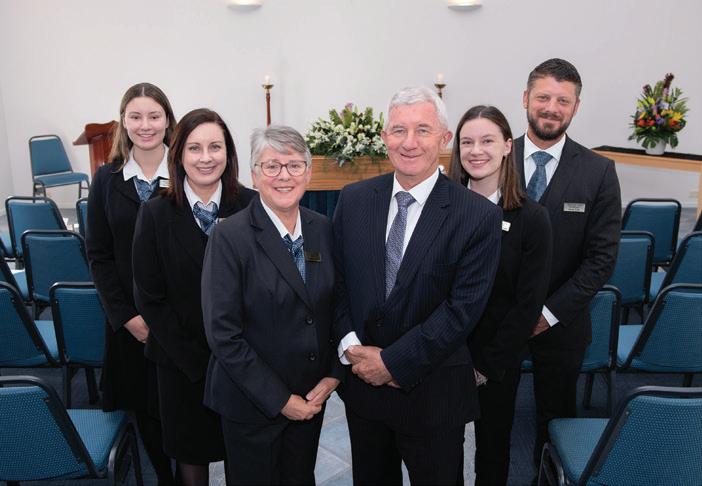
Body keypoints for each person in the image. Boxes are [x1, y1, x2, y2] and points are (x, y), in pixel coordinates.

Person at [333, 86, 502, 484]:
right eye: (399, 130)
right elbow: (336, 283)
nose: (409, 142)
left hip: (433, 394)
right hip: (364, 390)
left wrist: (392, 363)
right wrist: (350, 346)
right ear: (384, 138)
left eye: (423, 130)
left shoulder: (477, 215)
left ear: (444, 138)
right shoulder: (354, 199)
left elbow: (462, 310)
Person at [201, 125, 341, 484]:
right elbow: (223, 334)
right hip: (251, 404)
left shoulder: (323, 228)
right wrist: (281, 400)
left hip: (309, 398)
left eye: (294, 165)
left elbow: (337, 305)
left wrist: (333, 373)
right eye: (272, 166)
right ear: (254, 174)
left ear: (308, 173)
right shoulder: (229, 236)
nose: (284, 175)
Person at [132, 108, 256, 486]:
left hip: (244, 362)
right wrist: (197, 361)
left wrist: (236, 356)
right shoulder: (155, 213)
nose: (206, 157)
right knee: (191, 459)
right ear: (179, 155)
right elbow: (150, 298)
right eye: (195, 148)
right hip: (180, 364)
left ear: (228, 153)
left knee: (245, 458)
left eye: (215, 147)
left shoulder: (252, 206)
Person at [513, 58, 621, 467]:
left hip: (561, 322)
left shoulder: (599, 171)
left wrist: (547, 315)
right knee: (489, 418)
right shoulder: (492, 158)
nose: (551, 108)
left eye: (563, 100)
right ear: (526, 98)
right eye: (543, 97)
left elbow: (601, 259)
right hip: (494, 320)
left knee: (554, 421)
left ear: (576, 107)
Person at [449, 105, 552, 485]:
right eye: (467, 142)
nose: (476, 151)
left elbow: (527, 304)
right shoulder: (441, 211)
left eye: (487, 141)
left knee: (492, 453)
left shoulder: (532, 219)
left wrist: (486, 367)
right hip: (441, 356)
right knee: (441, 453)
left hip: (496, 361)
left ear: (508, 146)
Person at [86, 82, 177, 484]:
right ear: (123, 121)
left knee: (184, 411)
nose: (146, 125)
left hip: (181, 321)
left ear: (168, 120)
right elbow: (98, 255)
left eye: (154, 116)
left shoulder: (188, 171)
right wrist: (126, 318)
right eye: (136, 116)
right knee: (146, 410)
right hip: (130, 324)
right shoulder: (106, 179)